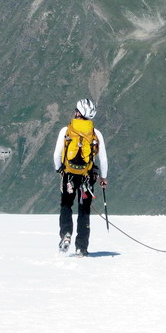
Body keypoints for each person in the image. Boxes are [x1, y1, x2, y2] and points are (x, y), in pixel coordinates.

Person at [53, 98, 108, 256]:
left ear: (77, 112)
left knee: (66, 205)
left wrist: (59, 169)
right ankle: (81, 248)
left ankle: (66, 234)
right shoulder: (96, 134)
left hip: (68, 176)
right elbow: (103, 159)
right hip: (87, 177)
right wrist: (103, 178)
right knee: (84, 209)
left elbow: (56, 155)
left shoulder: (66, 130)